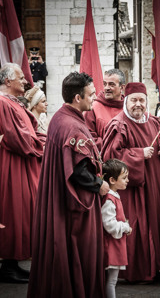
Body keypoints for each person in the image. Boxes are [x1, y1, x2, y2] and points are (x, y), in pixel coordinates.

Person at [27, 72, 110, 297]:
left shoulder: (60, 118)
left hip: (58, 198)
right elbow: (78, 171)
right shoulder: (72, 126)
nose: (95, 98)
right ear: (77, 97)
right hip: (72, 207)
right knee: (78, 254)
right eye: (91, 95)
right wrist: (99, 184)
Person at [101, 82, 160, 282]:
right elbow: (110, 157)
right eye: (133, 100)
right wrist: (139, 153)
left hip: (155, 186)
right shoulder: (119, 125)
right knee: (137, 227)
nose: (138, 104)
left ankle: (155, 267)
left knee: (156, 224)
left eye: (142, 100)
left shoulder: (153, 121)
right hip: (132, 189)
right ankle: (136, 271)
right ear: (126, 101)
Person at [0, 63, 45, 283]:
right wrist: (42, 146)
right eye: (20, 78)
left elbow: (32, 133)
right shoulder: (2, 103)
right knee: (13, 213)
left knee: (23, 213)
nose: (25, 81)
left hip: (22, 164)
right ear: (8, 81)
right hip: (13, 165)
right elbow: (20, 139)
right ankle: (8, 265)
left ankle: (12, 264)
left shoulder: (13, 103)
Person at [101, 159, 132, 298]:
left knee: (111, 281)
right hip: (111, 246)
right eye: (124, 178)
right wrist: (125, 227)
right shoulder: (109, 199)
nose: (127, 180)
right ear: (112, 180)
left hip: (115, 244)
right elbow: (108, 223)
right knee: (111, 281)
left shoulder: (113, 196)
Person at [84, 69, 126, 149]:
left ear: (122, 87)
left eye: (111, 85)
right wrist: (109, 147)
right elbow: (88, 137)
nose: (106, 88)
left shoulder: (128, 108)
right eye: (105, 84)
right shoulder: (93, 108)